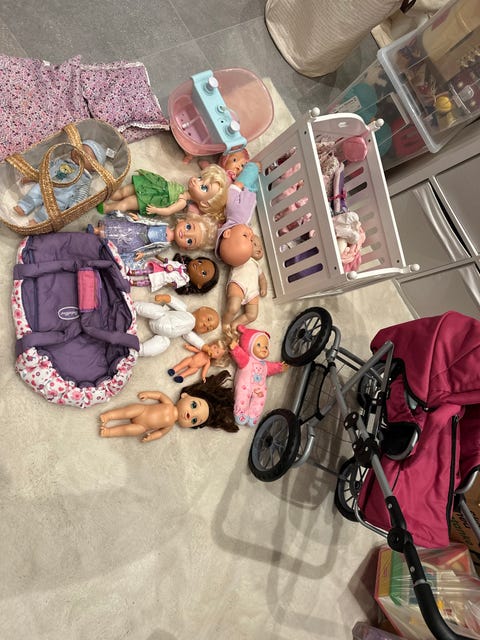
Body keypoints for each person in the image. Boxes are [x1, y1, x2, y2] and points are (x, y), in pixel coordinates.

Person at [99, 370, 238, 442]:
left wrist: (151, 437)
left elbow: (160, 433)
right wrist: (148, 395)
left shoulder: (169, 425)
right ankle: (108, 416)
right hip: (142, 411)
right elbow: (159, 395)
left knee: (129, 430)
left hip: (142, 427)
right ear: (185, 396)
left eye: (195, 420)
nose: (191, 414)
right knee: (127, 411)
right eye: (194, 405)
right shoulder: (169, 404)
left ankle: (109, 432)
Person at [14, 140, 107, 225]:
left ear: (94, 168)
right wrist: (33, 176)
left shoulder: (85, 179)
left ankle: (38, 221)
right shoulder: (62, 162)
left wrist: (73, 208)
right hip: (45, 185)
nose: (79, 153)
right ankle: (24, 206)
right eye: (78, 149)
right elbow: (46, 169)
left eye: (85, 154)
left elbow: (81, 196)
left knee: (51, 211)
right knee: (35, 191)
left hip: (60, 198)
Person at [98, 164, 228, 223]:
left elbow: (169, 211)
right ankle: (109, 195)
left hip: (153, 200)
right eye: (200, 178)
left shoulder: (182, 202)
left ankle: (108, 208)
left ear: (204, 203)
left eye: (203, 187)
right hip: (152, 187)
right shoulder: (182, 189)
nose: (196, 181)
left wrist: (156, 210)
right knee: (125, 190)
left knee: (127, 203)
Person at [89, 209, 218, 259]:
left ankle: (97, 241)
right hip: (138, 228)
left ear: (184, 248)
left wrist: (143, 254)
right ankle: (96, 230)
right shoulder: (165, 225)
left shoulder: (166, 245)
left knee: (120, 241)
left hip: (139, 243)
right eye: (188, 227)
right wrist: (140, 218)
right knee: (120, 228)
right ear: (182, 220)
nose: (185, 234)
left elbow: (154, 251)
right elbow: (151, 222)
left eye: (189, 241)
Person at [229, 325, 289, 428]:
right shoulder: (247, 360)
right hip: (245, 385)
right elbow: (239, 355)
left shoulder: (265, 365)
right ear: (249, 346)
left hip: (259, 388)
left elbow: (273, 367)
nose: (264, 349)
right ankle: (240, 413)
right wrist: (235, 348)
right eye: (259, 345)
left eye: (266, 347)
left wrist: (280, 367)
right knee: (242, 396)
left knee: (260, 400)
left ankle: (253, 416)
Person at [135, 293, 219, 357]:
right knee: (157, 311)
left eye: (208, 329)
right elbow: (174, 302)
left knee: (164, 343)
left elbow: (197, 341)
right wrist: (165, 297)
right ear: (202, 309)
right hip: (162, 316)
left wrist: (207, 348)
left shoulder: (188, 332)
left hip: (163, 335)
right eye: (208, 319)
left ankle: (139, 350)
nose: (206, 325)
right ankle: (134, 307)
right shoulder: (184, 310)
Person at [222, 234, 267, 333]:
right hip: (238, 284)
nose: (259, 248)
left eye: (261, 247)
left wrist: (264, 288)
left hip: (252, 292)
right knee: (233, 307)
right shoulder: (242, 256)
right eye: (255, 244)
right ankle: (226, 322)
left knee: (252, 315)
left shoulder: (257, 265)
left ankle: (235, 323)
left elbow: (262, 279)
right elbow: (230, 255)